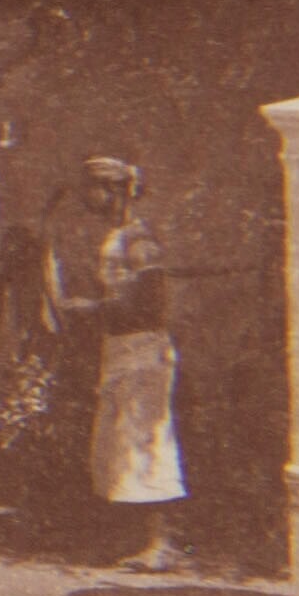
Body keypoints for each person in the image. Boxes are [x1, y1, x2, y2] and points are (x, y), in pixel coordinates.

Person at [72, 156, 185, 560]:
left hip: (143, 350)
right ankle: (137, 540)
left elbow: (152, 303)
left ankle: (161, 543)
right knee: (119, 446)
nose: (87, 196)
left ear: (115, 191)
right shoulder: (115, 237)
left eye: (93, 188)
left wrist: (93, 309)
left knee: (146, 442)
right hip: (120, 349)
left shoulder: (139, 241)